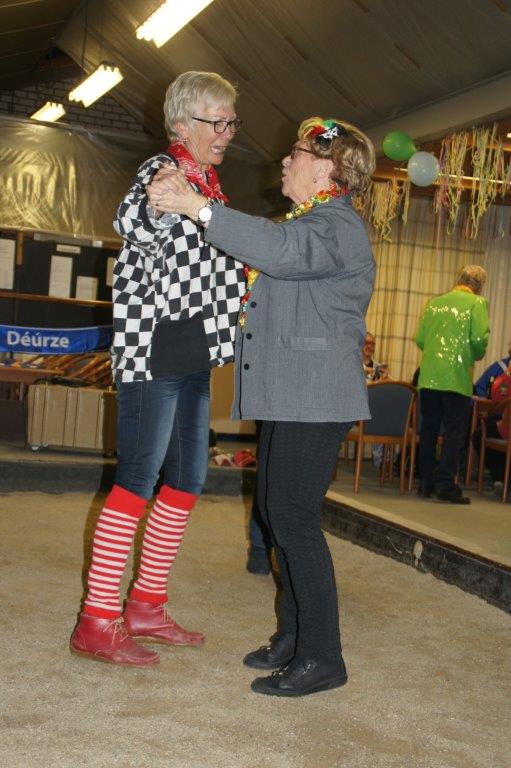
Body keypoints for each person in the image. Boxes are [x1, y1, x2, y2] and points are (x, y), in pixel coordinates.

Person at [148, 116, 376, 696]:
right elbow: (267, 257)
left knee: (294, 519)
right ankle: (294, 636)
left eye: (296, 153)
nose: (285, 160)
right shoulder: (308, 223)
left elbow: (281, 252)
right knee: (277, 515)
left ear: (326, 168)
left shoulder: (336, 224)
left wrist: (198, 206)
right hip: (292, 393)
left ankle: (322, 656)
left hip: (315, 396)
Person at [69, 71, 246, 666]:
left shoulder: (207, 183)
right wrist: (157, 198)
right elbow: (132, 224)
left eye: (231, 121)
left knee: (188, 480)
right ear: (181, 124)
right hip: (153, 353)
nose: (226, 132)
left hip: (192, 351)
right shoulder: (163, 170)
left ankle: (145, 604)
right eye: (215, 121)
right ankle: (97, 619)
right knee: (136, 481)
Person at [415, 265, 490, 504]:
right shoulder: (477, 303)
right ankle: (445, 485)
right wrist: (474, 354)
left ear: (459, 279)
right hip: (456, 378)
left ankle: (425, 483)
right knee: (453, 433)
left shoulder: (434, 303)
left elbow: (420, 339)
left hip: (429, 377)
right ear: (479, 286)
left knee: (428, 430)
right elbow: (478, 340)